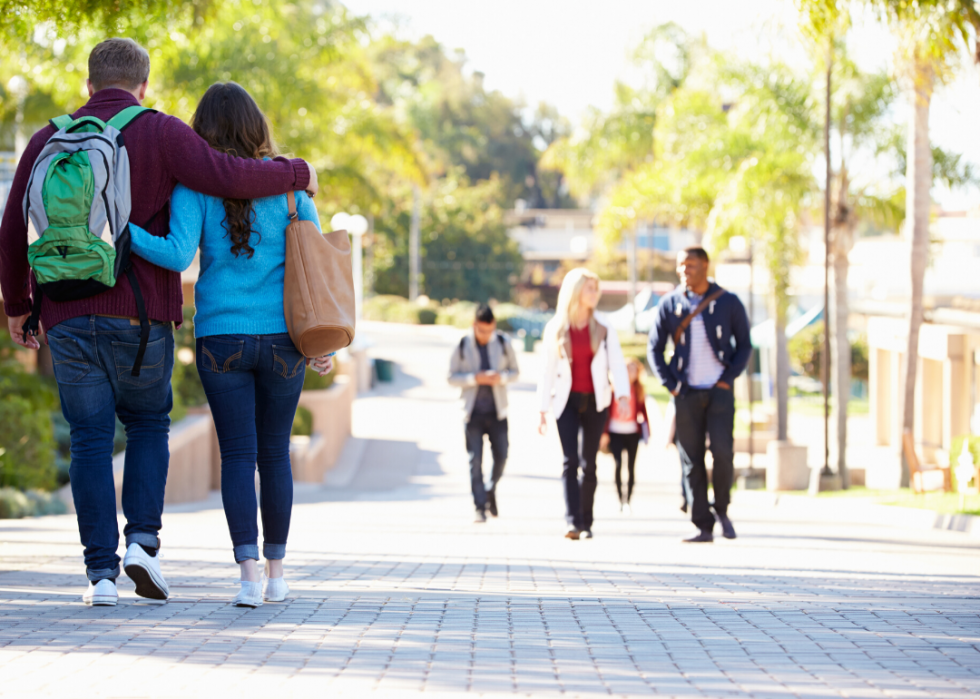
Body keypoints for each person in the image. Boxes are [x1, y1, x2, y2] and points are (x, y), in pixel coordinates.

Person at [0, 38, 318, 607]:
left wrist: (19, 306)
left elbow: (10, 227)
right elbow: (232, 175)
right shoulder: (162, 130)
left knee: (89, 440)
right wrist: (297, 171)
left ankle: (100, 577)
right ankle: (143, 543)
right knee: (148, 425)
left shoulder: (46, 138)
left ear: (88, 84)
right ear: (143, 84)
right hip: (140, 316)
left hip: (67, 317)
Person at [125, 82, 332, 607]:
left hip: (221, 337)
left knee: (237, 456)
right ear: (257, 126)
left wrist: (123, 233)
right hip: (285, 340)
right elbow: (319, 270)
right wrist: (324, 341)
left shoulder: (194, 188)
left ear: (202, 133)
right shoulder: (290, 190)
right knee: (275, 454)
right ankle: (278, 573)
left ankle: (247, 579)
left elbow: (175, 256)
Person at [648, 247, 751, 543]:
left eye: (690, 265)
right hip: (686, 392)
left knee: (722, 452)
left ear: (705, 266)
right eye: (681, 265)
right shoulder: (670, 304)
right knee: (691, 458)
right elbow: (654, 348)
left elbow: (745, 344)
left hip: (719, 391)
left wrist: (727, 379)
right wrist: (672, 385)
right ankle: (702, 524)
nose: (684, 270)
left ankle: (722, 510)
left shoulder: (728, 302)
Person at [537, 269, 630, 540]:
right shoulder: (556, 327)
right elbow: (546, 369)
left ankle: (586, 522)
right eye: (590, 288)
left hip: (595, 402)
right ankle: (572, 522)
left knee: (589, 463)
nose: (595, 293)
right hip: (565, 401)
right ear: (576, 290)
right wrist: (542, 409)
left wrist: (622, 395)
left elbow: (616, 361)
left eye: (595, 288)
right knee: (570, 461)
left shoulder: (603, 325)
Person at [448, 304, 520, 523]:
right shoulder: (462, 345)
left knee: (502, 456)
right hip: (473, 414)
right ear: (474, 325)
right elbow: (451, 377)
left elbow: (516, 372)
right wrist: (474, 378)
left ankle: (490, 488)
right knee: (475, 461)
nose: (485, 335)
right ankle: (479, 507)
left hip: (498, 412)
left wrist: (501, 377)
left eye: (489, 331)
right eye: (481, 331)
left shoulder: (503, 343)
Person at [603, 357, 649, 514]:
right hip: (616, 431)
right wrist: (604, 433)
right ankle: (619, 499)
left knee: (631, 466)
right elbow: (606, 412)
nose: (631, 373)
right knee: (617, 465)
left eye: (634, 370)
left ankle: (627, 500)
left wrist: (648, 432)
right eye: (628, 369)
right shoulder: (614, 388)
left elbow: (643, 411)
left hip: (632, 432)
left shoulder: (638, 389)